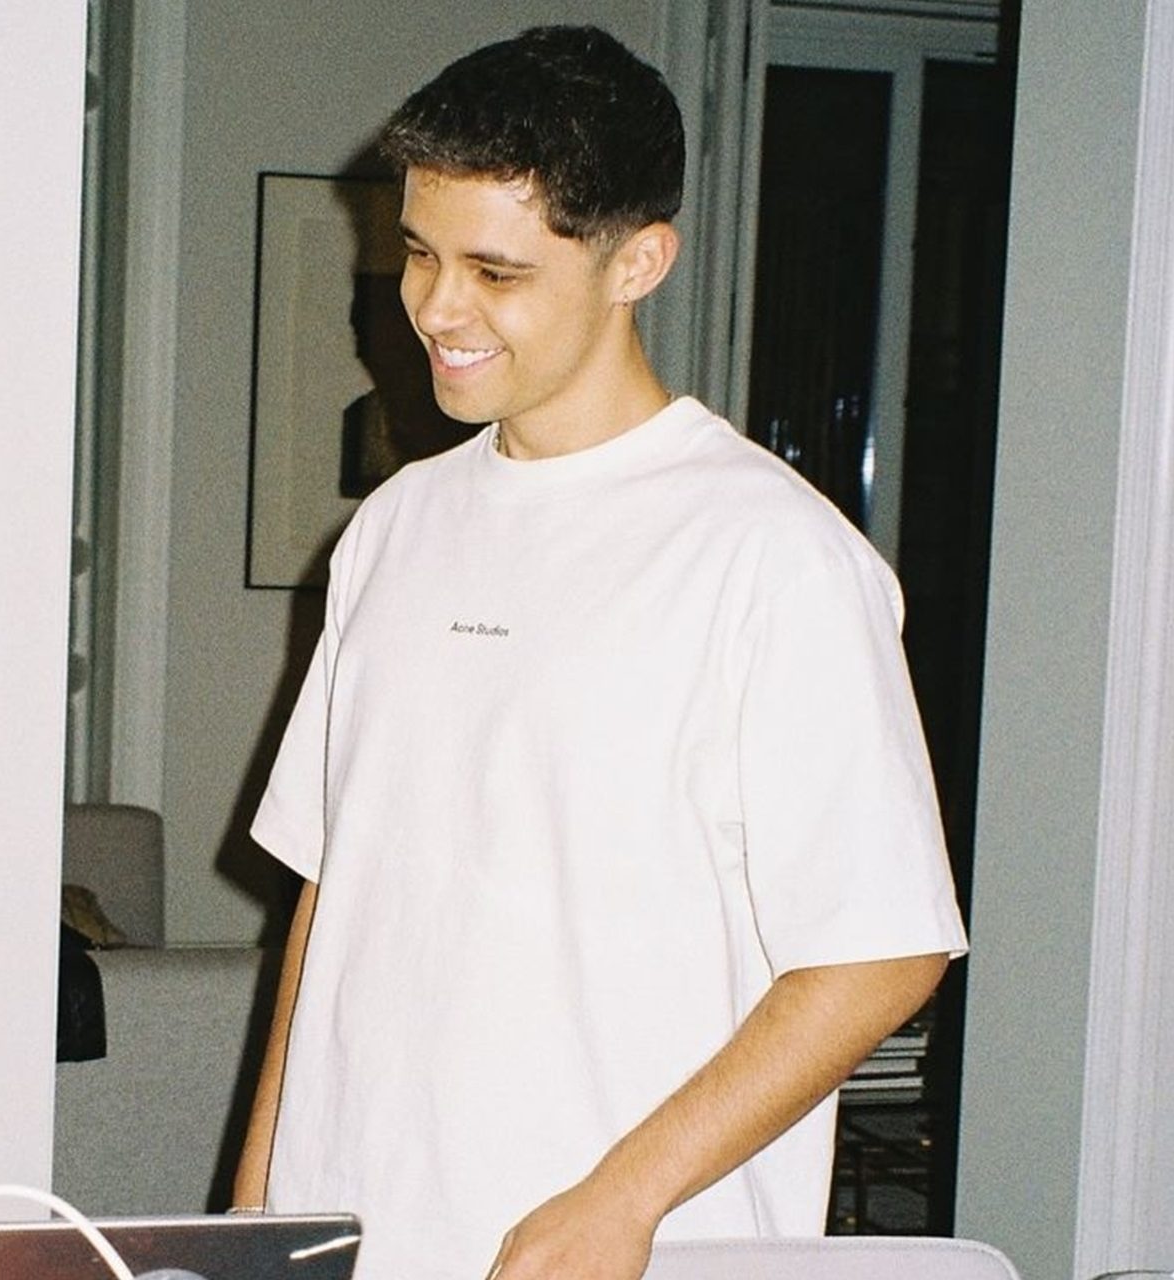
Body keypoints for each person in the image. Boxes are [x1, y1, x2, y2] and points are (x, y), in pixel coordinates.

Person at [232, 26, 968, 1280]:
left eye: (495, 271)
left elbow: (880, 951)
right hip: (355, 1234)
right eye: (417, 252)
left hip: (620, 1247)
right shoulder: (392, 529)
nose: (434, 308)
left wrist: (619, 1199)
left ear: (639, 261)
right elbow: (329, 894)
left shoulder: (772, 556)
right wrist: (256, 1209)